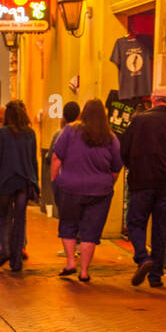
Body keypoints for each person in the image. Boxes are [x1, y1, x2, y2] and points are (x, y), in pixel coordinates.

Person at [120, 85, 166, 288]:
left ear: (153, 99)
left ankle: (143, 259)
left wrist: (134, 166)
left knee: (136, 223)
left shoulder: (139, 121)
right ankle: (156, 276)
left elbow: (124, 150)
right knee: (161, 228)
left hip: (141, 183)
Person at [51, 98, 122, 282]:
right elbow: (116, 168)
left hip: (70, 188)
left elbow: (56, 158)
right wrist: (107, 184)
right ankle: (84, 271)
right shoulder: (111, 137)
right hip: (99, 192)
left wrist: (55, 179)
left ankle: (70, 263)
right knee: (91, 231)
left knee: (68, 224)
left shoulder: (70, 131)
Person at [0, 98, 38, 273]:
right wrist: (36, 183)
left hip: (5, 182)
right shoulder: (30, 133)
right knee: (20, 220)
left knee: (2, 217)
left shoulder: (2, 133)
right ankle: (16, 261)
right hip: (23, 182)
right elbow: (32, 161)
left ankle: (5, 249)